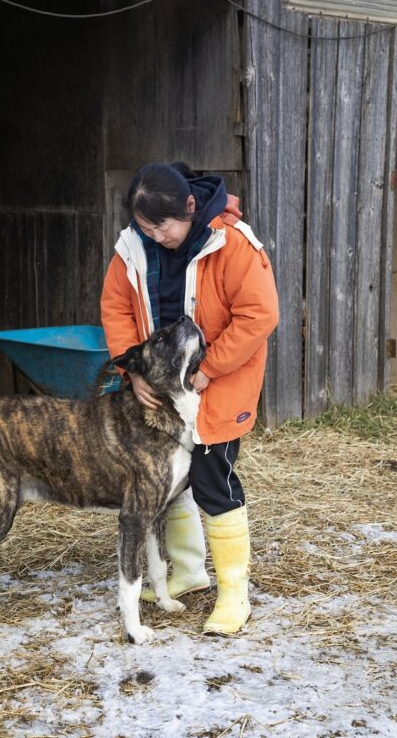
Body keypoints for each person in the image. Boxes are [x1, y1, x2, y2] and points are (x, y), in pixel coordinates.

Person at [100, 162, 278, 635]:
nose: (155, 235)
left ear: (191, 207)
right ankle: (190, 573)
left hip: (217, 382)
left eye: (162, 224)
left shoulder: (233, 243)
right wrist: (129, 369)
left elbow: (259, 315)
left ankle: (234, 594)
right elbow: (116, 307)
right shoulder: (131, 249)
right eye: (144, 227)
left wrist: (210, 368)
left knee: (211, 477)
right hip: (160, 391)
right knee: (167, 478)